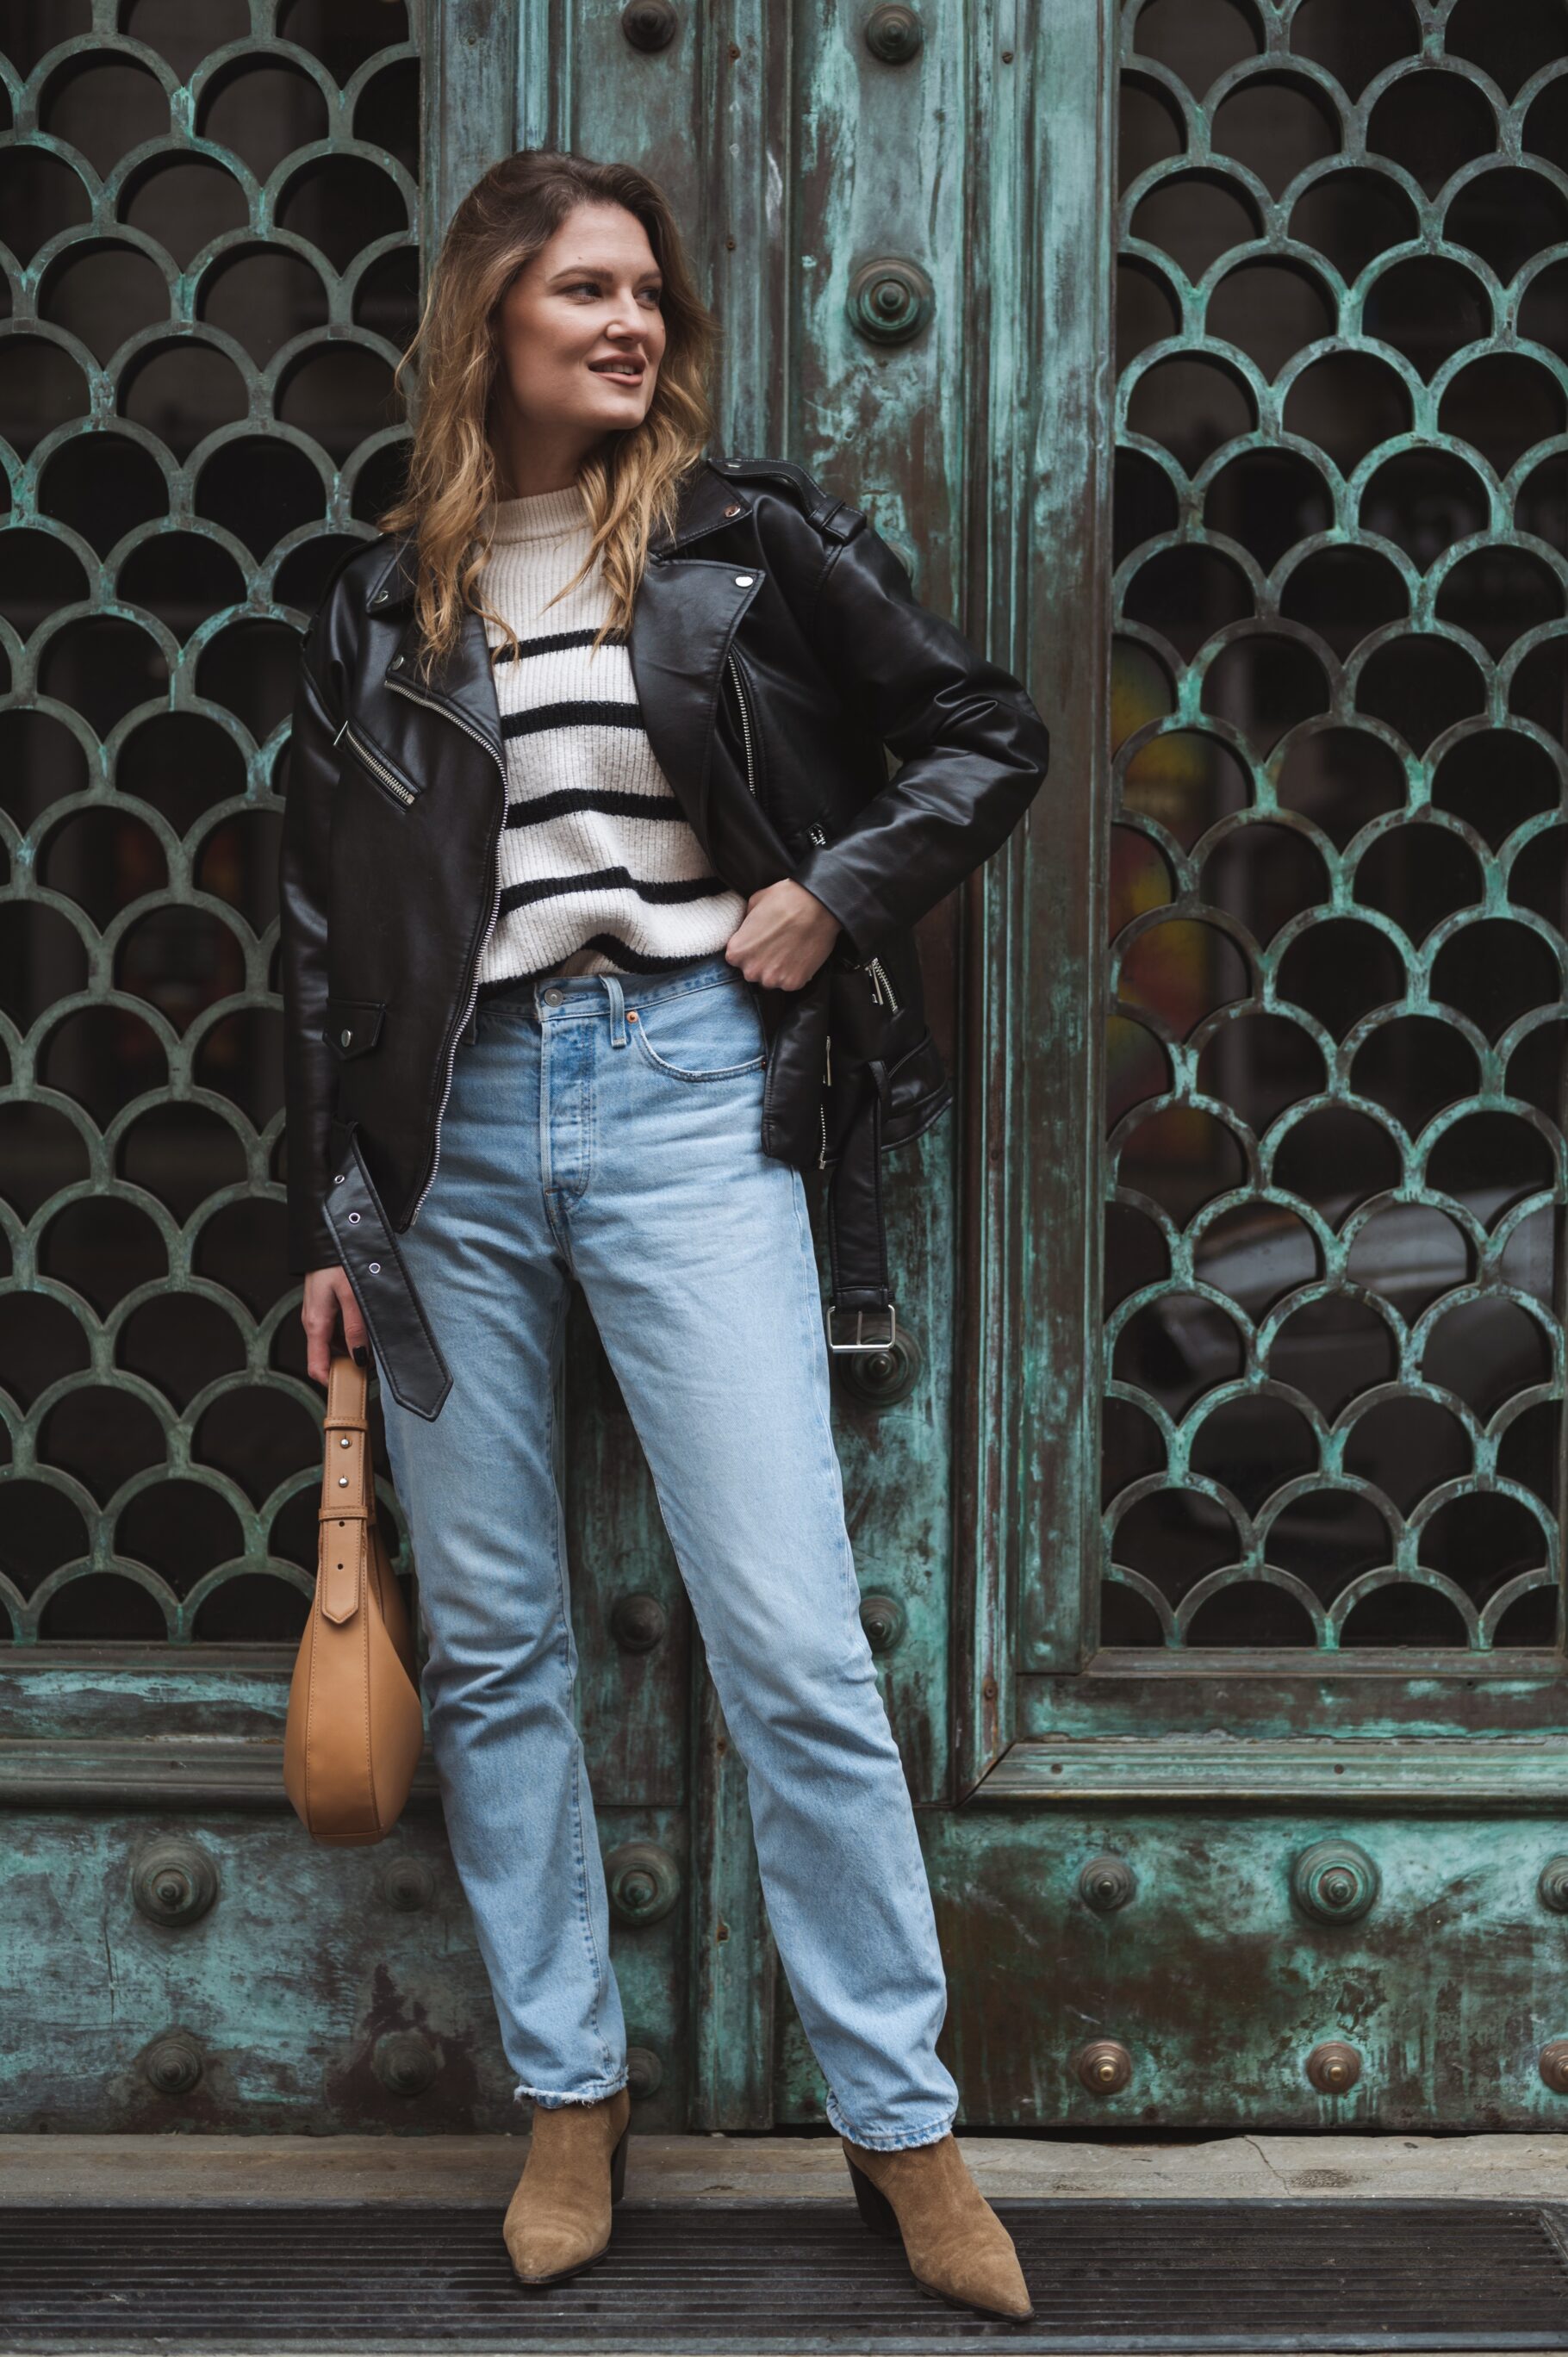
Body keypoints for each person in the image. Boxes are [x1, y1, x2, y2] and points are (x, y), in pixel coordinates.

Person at [278, 148, 1049, 2321]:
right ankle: (567, 2100)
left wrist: (829, 895)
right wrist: (340, 1211)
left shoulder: (746, 538)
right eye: (584, 293)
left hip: (691, 1091)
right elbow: (325, 939)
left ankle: (901, 2131)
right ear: (487, 321)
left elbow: (984, 733)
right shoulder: (376, 599)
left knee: (792, 1643)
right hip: (448, 1141)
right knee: (504, 1641)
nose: (629, 325)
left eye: (645, 295)